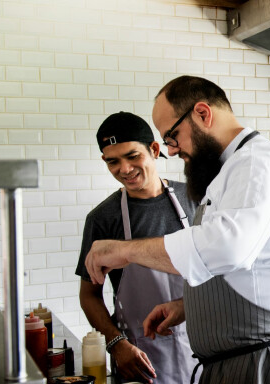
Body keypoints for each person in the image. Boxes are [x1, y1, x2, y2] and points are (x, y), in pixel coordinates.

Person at [83, 76, 270, 384]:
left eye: (172, 136)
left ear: (203, 114)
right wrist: (188, 306)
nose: (172, 151)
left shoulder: (257, 162)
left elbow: (226, 248)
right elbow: (249, 271)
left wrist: (124, 249)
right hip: (249, 359)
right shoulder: (231, 170)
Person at [75, 112, 197, 384]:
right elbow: (89, 295)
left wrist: (186, 305)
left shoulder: (196, 200)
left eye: (132, 156)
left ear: (154, 149)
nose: (125, 169)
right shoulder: (103, 219)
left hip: (203, 348)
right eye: (113, 161)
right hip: (140, 359)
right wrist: (116, 344)